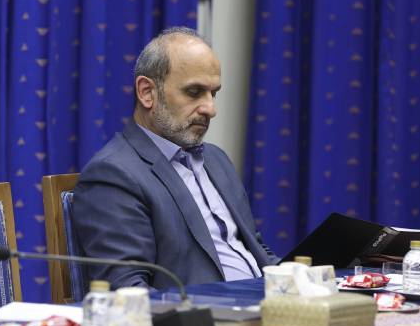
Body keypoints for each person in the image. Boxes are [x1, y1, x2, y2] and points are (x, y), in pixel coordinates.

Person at [72, 27, 277, 290]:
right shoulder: (113, 174)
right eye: (194, 92)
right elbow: (128, 291)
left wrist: (306, 283)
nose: (210, 109)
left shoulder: (217, 160)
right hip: (206, 312)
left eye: (213, 93)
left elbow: (256, 252)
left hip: (268, 303)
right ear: (147, 92)